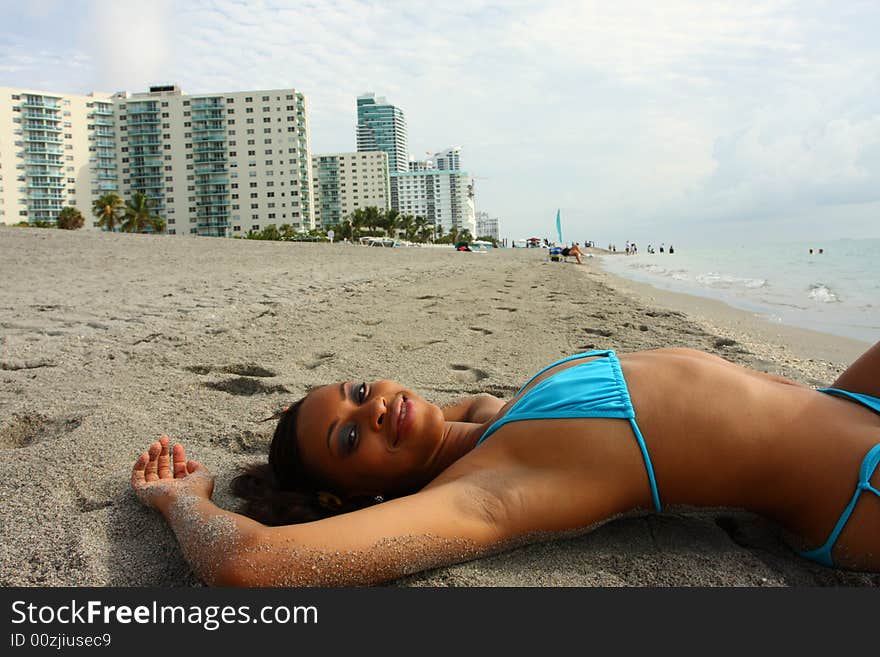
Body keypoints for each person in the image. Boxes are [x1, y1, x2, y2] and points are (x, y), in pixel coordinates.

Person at [131, 341, 880, 585]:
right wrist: (186, 499)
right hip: (859, 484)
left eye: (358, 391)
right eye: (351, 438)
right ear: (355, 496)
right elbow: (251, 562)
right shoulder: (487, 488)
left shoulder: (487, 423)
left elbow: (464, 410)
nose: (375, 407)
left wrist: (408, 429)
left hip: (843, 404)